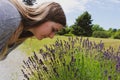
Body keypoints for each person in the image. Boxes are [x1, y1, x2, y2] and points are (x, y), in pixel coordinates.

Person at [0, 0, 66, 60]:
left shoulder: (21, 34)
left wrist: (11, 44)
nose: (52, 36)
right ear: (45, 16)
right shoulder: (11, 17)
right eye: (53, 29)